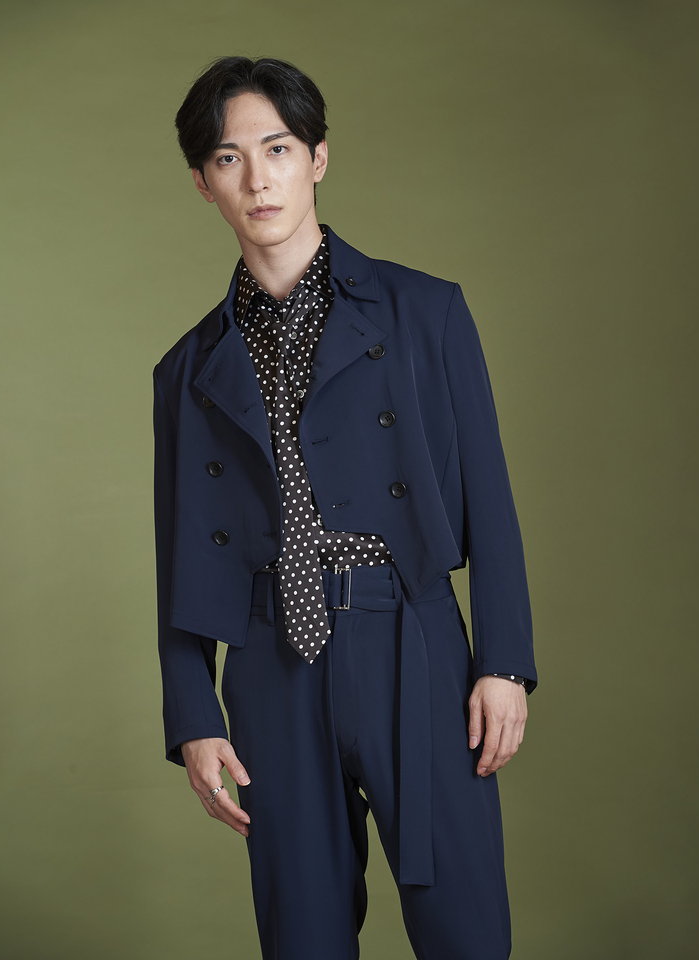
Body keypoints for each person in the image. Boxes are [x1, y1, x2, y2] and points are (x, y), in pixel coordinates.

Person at [153, 55, 539, 960]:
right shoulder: (186, 369)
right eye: (228, 158)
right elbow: (181, 552)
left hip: (412, 641)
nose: (258, 179)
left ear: (317, 157)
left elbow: (490, 494)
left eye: (278, 148)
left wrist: (504, 663)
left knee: (465, 932)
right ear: (203, 183)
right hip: (269, 662)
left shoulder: (425, 312)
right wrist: (194, 715)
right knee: (304, 937)